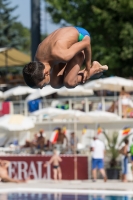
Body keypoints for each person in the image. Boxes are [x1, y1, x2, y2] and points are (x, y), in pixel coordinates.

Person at [23, 27, 108, 89]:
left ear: (46, 73)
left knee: (69, 83)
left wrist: (87, 68)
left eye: (41, 86)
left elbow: (86, 43)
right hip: (62, 43)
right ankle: (79, 75)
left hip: (81, 36)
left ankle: (95, 68)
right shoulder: (37, 62)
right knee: (55, 84)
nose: (41, 88)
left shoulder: (63, 55)